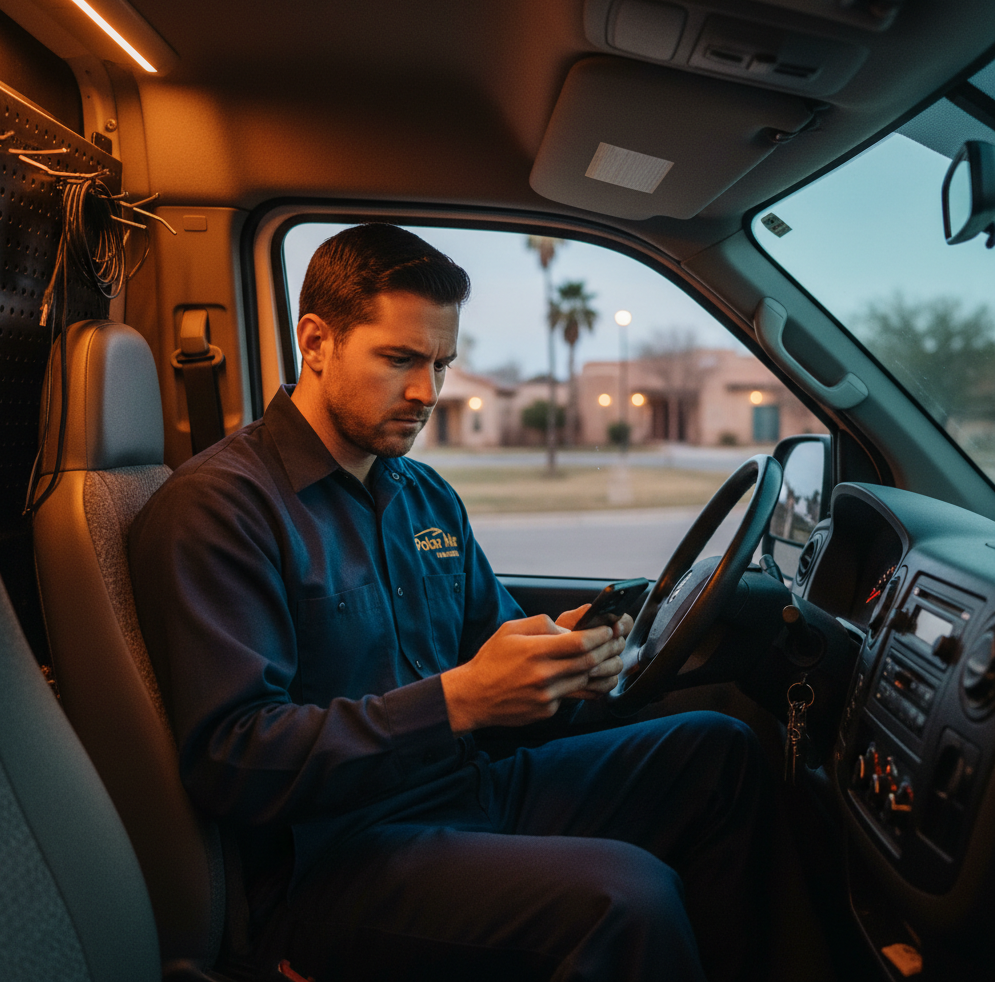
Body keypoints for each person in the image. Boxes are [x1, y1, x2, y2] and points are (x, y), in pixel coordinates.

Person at [130, 224, 768, 982]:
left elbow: (495, 650)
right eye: (400, 359)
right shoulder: (222, 509)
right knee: (627, 898)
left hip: (470, 789)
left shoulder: (426, 495)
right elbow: (234, 758)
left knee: (720, 752)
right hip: (336, 859)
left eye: (440, 364)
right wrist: (456, 702)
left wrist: (564, 662)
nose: (427, 393)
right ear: (317, 340)